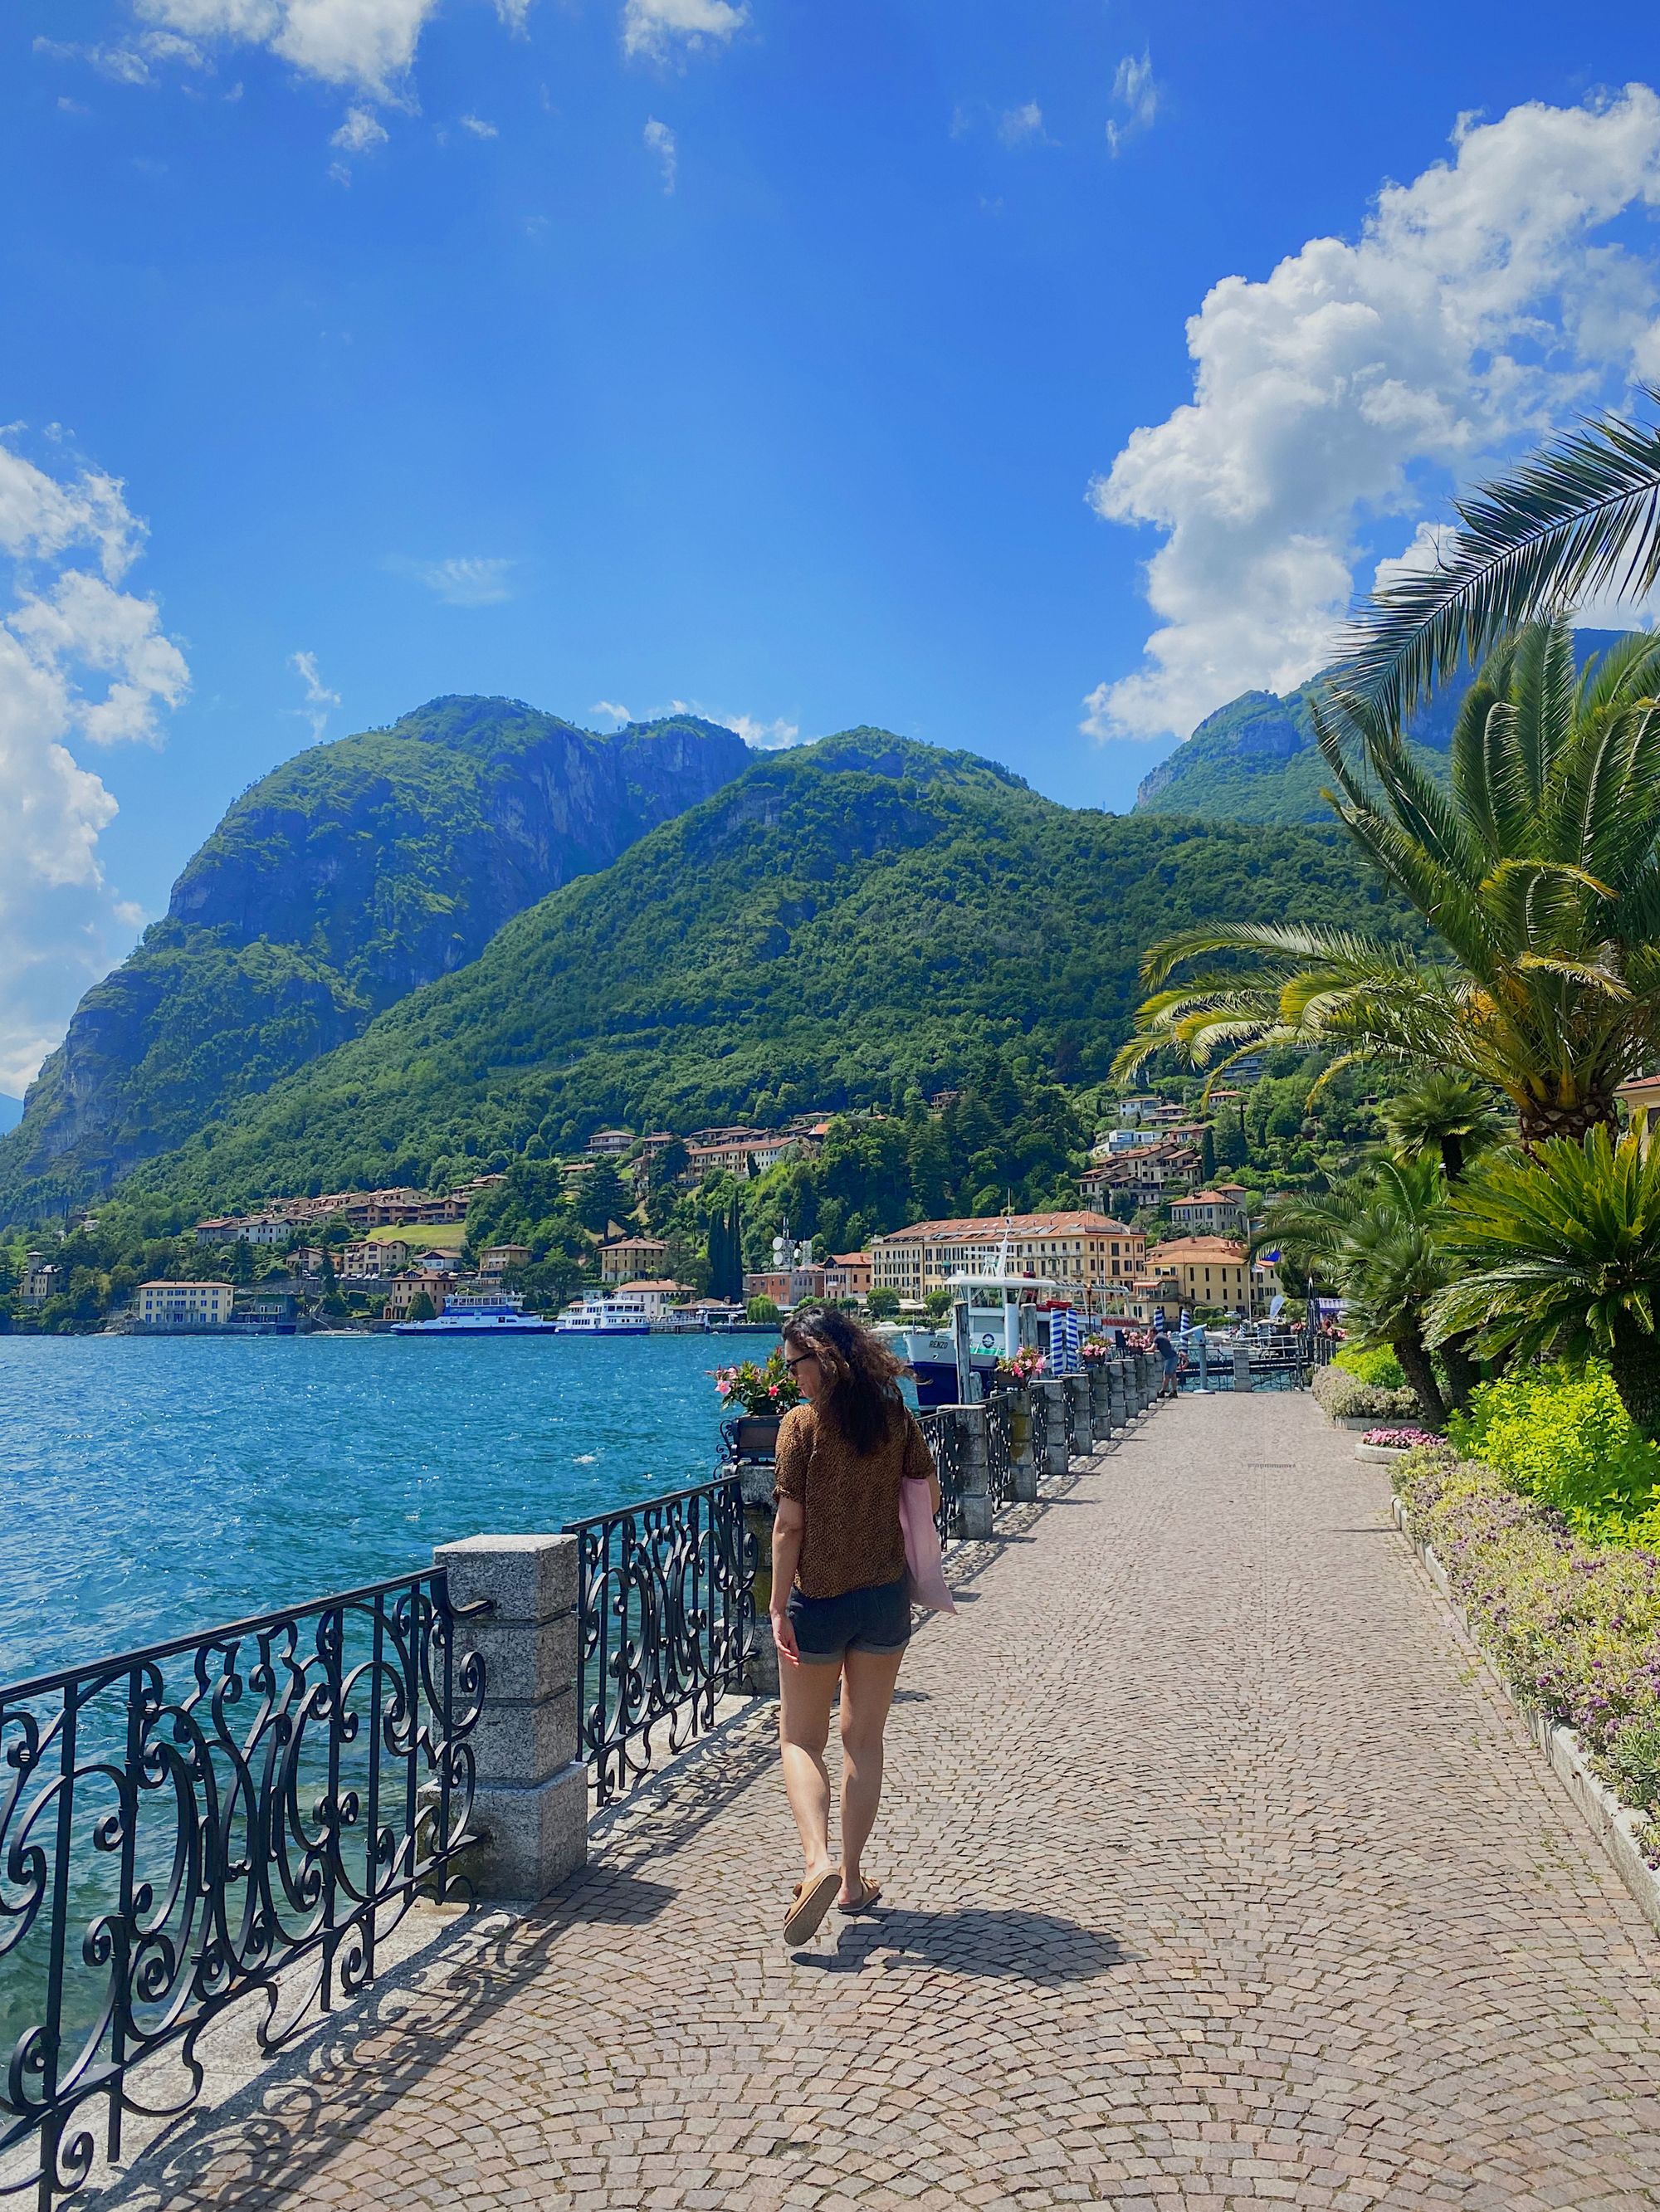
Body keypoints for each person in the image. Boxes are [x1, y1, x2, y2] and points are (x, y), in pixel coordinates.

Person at [769, 1306, 941, 1946]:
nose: (793, 1379)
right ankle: (852, 1881)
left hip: (819, 1600)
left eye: (797, 1364)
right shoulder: (892, 1414)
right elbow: (928, 1496)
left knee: (798, 1741)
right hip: (884, 1598)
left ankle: (818, 1862)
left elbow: (788, 1527)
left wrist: (776, 1604)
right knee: (862, 1743)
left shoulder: (801, 1426)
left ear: (824, 1356)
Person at [1152, 1317, 1180, 1399]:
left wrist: (1144, 1349)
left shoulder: (1156, 1338)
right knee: (1173, 1375)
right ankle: (1174, 1391)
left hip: (1170, 1358)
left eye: (1148, 1333)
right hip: (1174, 1355)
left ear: (1152, 1332)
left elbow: (1153, 1349)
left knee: (1167, 1375)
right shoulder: (1161, 1335)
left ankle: (1162, 1391)